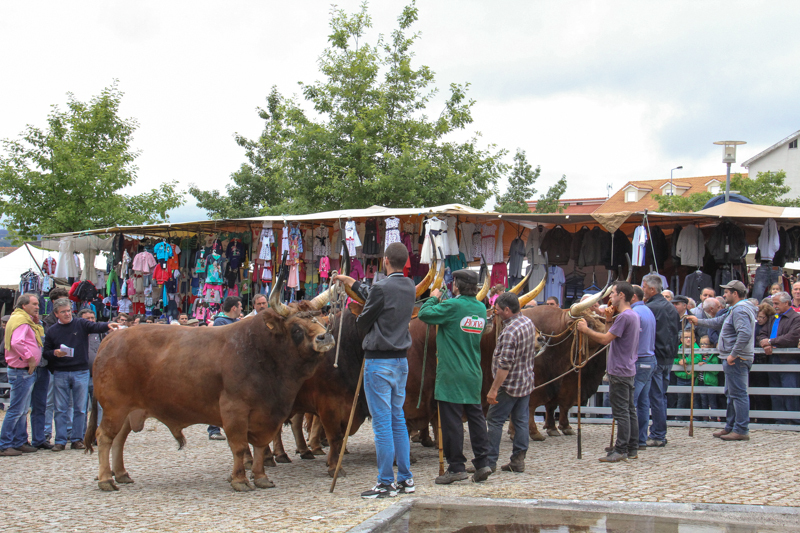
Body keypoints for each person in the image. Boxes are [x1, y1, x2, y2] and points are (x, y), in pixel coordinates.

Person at [333, 242, 416, 498]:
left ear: (385, 260)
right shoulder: (410, 286)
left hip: (378, 362)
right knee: (397, 420)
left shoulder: (381, 287)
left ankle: (385, 483)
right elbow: (378, 294)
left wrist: (356, 309)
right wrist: (354, 283)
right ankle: (405, 479)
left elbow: (364, 322)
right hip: (401, 361)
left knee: (381, 424)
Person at [417, 268, 492, 484]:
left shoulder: (452, 306)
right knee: (476, 418)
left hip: (451, 373)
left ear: (457, 285)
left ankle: (456, 467)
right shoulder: (480, 307)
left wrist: (432, 299)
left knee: (452, 422)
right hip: (473, 373)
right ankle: (482, 462)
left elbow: (424, 315)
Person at [43, 298, 119, 451]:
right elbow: (46, 352)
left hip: (80, 371)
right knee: (60, 408)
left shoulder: (80, 324)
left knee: (80, 408)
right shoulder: (52, 331)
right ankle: (60, 440)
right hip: (61, 372)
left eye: (68, 311)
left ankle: (78, 439)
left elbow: (95, 326)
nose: (67, 314)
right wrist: (54, 353)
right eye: (63, 312)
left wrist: (108, 325)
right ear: (56, 314)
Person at [686, 280, 757, 441]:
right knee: (732, 394)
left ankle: (740, 428)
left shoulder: (740, 310)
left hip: (737, 358)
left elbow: (744, 334)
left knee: (738, 394)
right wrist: (699, 321)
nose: (724, 295)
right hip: (736, 357)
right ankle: (732, 426)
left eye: (727, 292)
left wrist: (733, 354)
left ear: (735, 293)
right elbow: (719, 322)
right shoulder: (735, 309)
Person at [578, 281, 640, 462]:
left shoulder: (624, 317)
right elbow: (611, 335)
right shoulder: (631, 315)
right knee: (629, 410)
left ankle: (620, 450)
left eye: (613, 293)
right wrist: (608, 319)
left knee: (621, 412)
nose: (610, 296)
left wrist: (586, 329)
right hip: (627, 368)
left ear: (622, 295)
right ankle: (632, 447)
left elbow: (605, 339)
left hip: (619, 369)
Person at [484, 292, 536, 474]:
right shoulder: (528, 323)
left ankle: (489, 462)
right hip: (525, 381)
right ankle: (518, 460)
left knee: (495, 420)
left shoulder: (509, 332)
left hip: (508, 385)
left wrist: (494, 389)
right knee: (521, 421)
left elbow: (504, 365)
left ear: (507, 310)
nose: (495, 313)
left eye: (497, 310)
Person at [0, 294, 45, 456]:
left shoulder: (24, 320)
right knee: (16, 409)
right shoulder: (21, 321)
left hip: (23, 371)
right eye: (34, 304)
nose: (37, 306)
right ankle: (4, 444)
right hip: (21, 371)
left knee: (22, 409)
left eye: (37, 304)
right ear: (24, 306)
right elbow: (16, 342)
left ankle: (19, 441)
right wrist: (30, 358)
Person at [642, 273, 679, 448]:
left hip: (657, 355)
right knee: (661, 395)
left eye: (644, 287)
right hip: (669, 356)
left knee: (656, 396)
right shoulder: (670, 307)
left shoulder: (652, 307)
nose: (642, 290)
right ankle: (659, 431)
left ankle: (658, 434)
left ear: (652, 289)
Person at [756, 292, 800, 424]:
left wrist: (771, 342)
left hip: (788, 360)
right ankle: (779, 419)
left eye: (776, 303)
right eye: (773, 303)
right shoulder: (773, 318)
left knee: (789, 391)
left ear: (787, 303)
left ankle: (793, 420)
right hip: (772, 359)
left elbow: (792, 337)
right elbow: (761, 334)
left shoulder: (795, 318)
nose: (774, 306)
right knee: (775, 391)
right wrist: (764, 343)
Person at [206, 296, 244, 441]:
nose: (241, 309)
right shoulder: (220, 322)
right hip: (220, 365)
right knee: (217, 397)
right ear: (234, 308)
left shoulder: (235, 322)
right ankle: (213, 429)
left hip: (234, 365)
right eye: (240, 306)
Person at [629, 285, 656, 451]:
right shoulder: (647, 310)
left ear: (632, 297)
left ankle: (630, 441)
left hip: (639, 360)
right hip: (649, 358)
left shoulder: (635, 314)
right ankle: (640, 439)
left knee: (630, 402)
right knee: (643, 403)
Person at [675, 329, 702, 421]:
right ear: (681, 339)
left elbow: (698, 358)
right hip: (681, 377)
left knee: (694, 399)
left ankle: (695, 417)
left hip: (692, 378)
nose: (688, 339)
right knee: (681, 399)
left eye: (690, 337)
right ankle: (679, 417)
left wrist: (688, 361)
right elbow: (673, 358)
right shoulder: (678, 348)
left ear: (694, 339)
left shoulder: (697, 349)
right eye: (686, 337)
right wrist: (678, 361)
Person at [696, 335, 720, 420]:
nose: (702, 346)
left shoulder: (713, 357)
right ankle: (705, 418)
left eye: (705, 344)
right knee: (703, 401)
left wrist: (706, 365)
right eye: (701, 344)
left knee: (712, 401)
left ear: (711, 346)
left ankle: (713, 418)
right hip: (701, 381)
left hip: (711, 383)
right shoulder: (699, 356)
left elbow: (716, 370)